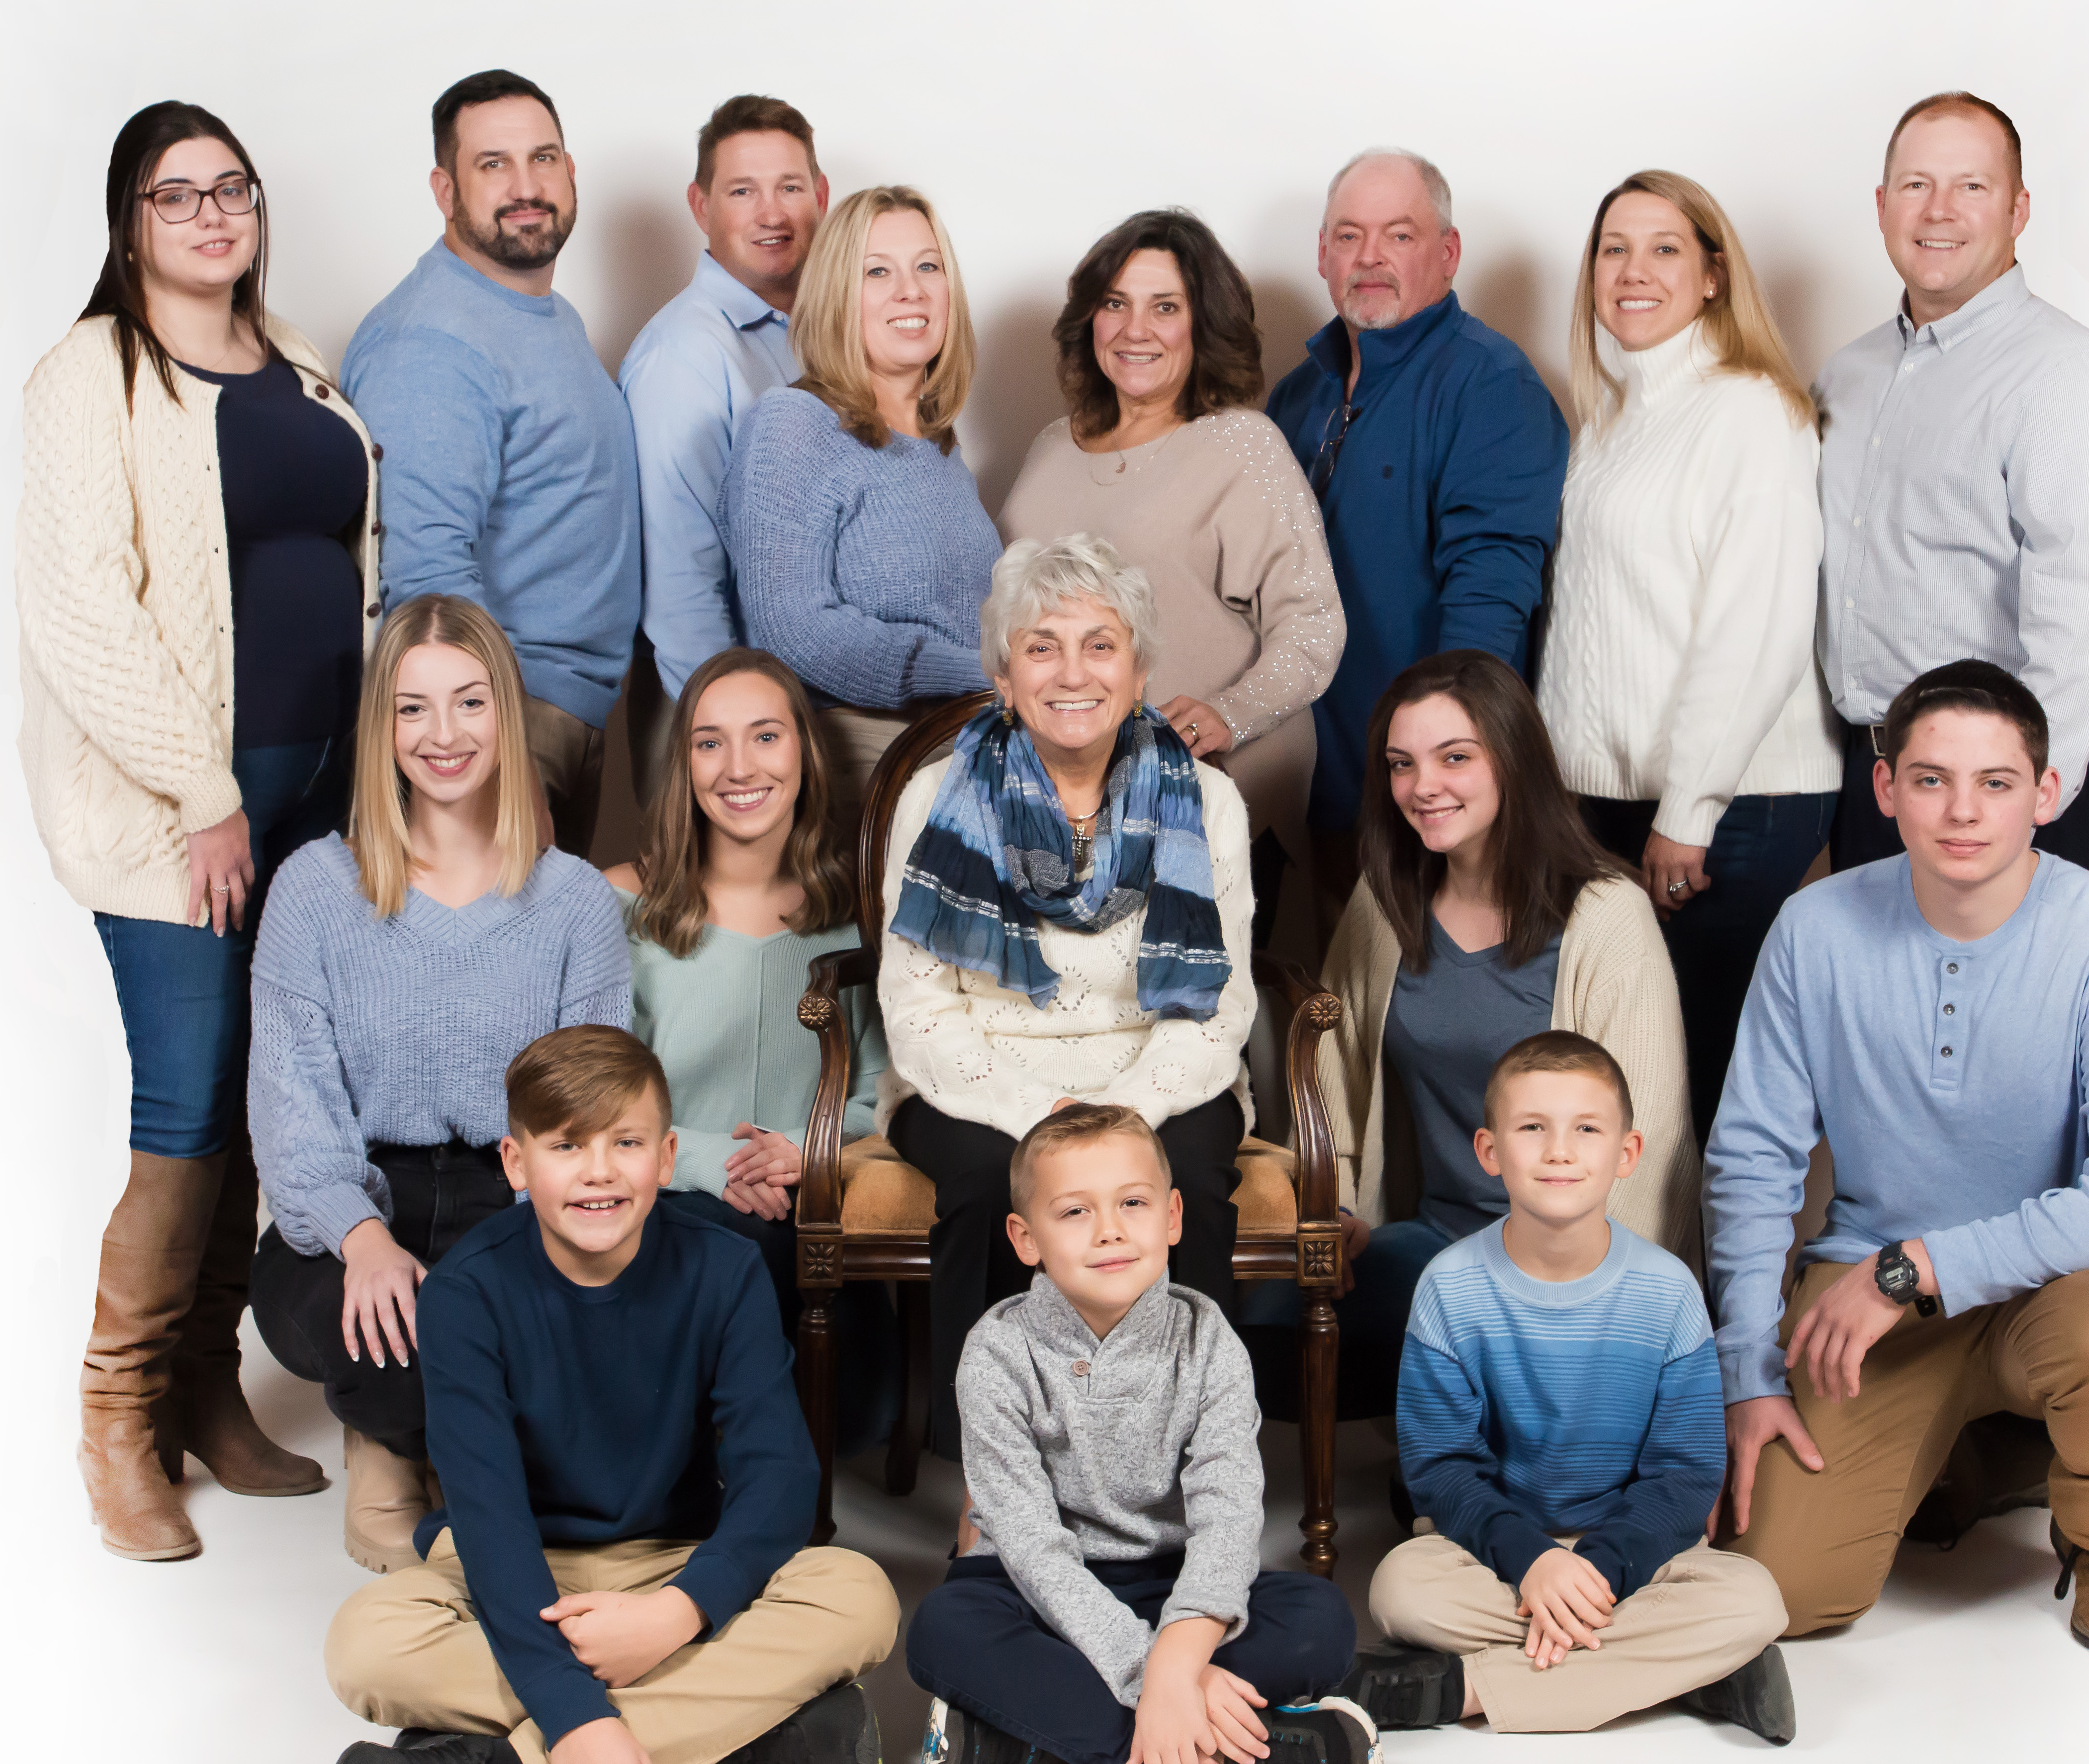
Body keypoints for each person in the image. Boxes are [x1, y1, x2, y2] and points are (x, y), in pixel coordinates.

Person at [18, 99, 376, 1561]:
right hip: (181, 812)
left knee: (258, 1085)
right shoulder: (91, 373)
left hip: (315, 797)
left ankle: (205, 1387)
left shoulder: (295, 359)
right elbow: (82, 612)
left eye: (233, 188)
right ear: (130, 223)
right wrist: (207, 793)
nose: (215, 214)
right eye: (178, 195)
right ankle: (116, 1418)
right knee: (182, 1098)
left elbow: (346, 563)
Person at [1708, 662, 2089, 1661]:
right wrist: (1747, 1369)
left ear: (2046, 793)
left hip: (2064, 1287)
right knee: (1780, 1591)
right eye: (1931, 779)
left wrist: (1915, 1267)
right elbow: (1753, 1156)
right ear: (1885, 787)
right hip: (1868, 1290)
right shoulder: (1814, 929)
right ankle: (1981, 1455)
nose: (1962, 810)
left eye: (1995, 782)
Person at [319, 1026, 901, 1764]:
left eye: (625, 1143)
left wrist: (678, 1612)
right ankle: (740, 1730)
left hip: (672, 1558)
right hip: (512, 1565)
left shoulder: (726, 1267)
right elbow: (488, 1517)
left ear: (666, 1158)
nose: (598, 1171)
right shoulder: (466, 1292)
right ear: (517, 1164)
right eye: (566, 1146)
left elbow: (778, 1476)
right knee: (367, 1644)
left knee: (860, 1596)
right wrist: (577, 1709)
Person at [247, 596, 632, 1575]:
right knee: (372, 1320)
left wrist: (544, 1255)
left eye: (468, 701)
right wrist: (362, 1237)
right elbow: (291, 1110)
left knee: (536, 1327)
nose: (443, 734)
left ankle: (464, 1470)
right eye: (412, 708)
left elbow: (592, 1112)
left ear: (505, 712)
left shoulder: (576, 903)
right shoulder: (313, 889)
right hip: (355, 1201)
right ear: (381, 726)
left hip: (516, 1199)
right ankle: (393, 1449)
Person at [878, 534, 1258, 1484]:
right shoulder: (934, 797)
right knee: (985, 1186)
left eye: (1099, 645)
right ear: (1004, 676)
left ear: (1138, 671)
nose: (1073, 672)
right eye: (1041, 646)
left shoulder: (1207, 802)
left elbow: (1216, 1008)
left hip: (1159, 1074)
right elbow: (916, 1005)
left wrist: (1123, 1115)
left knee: (1185, 1185)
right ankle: (990, 1485)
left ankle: (1186, 1470)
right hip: (981, 1079)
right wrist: (1034, 1116)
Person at [905, 1103, 1379, 1764]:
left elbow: (1227, 1520)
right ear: (1025, 1238)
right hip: (1035, 1590)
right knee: (942, 1631)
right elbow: (1032, 1547)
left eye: (1133, 1202)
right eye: (1075, 1211)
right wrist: (1152, 1675)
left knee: (1322, 1620)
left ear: (1173, 1216)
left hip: (1170, 1580)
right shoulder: (996, 1350)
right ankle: (1245, 1752)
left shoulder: (1208, 1340)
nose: (1110, 1230)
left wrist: (1176, 1660)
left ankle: (1024, 1735)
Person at [1270, 650, 1694, 1418]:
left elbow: (1651, 1138)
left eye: (1455, 757)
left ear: (1514, 760)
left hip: (1569, 1260)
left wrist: (1598, 1305)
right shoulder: (1385, 903)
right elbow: (1332, 1074)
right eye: (1402, 764)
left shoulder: (1608, 917)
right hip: (1435, 1243)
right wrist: (1335, 1207)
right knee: (1262, 1320)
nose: (1423, 786)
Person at [1337, 1033, 1792, 1742]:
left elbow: (1684, 1475)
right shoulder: (1449, 1287)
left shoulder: (1668, 1291)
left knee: (1755, 1601)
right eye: (1532, 1128)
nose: (1559, 1151)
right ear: (1490, 1151)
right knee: (1401, 1591)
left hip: (1632, 1548)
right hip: (1493, 1547)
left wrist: (1599, 1568)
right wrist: (1534, 1561)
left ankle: (1461, 1688)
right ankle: (1693, 1670)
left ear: (1627, 1153)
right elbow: (1442, 1469)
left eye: (1586, 1129)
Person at [1540, 171, 1839, 1142]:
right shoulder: (1611, 419)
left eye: (1663, 248)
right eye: (1613, 249)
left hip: (1734, 800)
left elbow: (1756, 629)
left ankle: (1717, 1252)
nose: (1633, 270)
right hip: (1618, 801)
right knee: (1624, 1075)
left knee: (1695, 1078)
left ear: (1713, 275)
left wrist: (1689, 810)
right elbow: (1586, 630)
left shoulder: (1750, 412)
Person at [1000, 208, 1344, 946]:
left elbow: (1314, 624)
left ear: (1203, 325)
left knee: (1195, 994)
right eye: (1115, 303)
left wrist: (1230, 713)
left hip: (1212, 785)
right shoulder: (1051, 445)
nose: (1136, 330)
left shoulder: (1243, 445)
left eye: (1165, 307)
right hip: (1063, 800)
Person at [1818, 92, 2089, 877]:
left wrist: (2019, 798)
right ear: (1883, 205)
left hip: (1997, 792)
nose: (1939, 210)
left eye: (1972, 186)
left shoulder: (2063, 371)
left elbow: (2082, 609)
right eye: (1917, 185)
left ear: (2018, 209)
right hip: (1871, 782)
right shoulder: (1848, 374)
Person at [605, 645, 898, 1451]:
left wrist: (804, 1150)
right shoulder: (617, 906)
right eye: (710, 742)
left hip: (810, 1202)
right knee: (740, 1253)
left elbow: (881, 1095)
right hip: (668, 1201)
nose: (739, 767)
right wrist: (714, 1164)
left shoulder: (857, 918)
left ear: (805, 753)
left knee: (860, 1416)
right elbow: (595, 1107)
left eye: (765, 736)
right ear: (684, 763)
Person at [343, 69, 640, 858]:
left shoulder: (542, 312)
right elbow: (426, 576)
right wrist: (498, 759)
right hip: (505, 724)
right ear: (445, 190)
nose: (526, 187)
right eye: (493, 165)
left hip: (564, 712)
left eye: (542, 159)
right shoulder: (432, 342)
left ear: (570, 172)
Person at [1264, 149, 1566, 925]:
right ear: (1322, 254)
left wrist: (1439, 775)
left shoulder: (1491, 386)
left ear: (1448, 252)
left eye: (1399, 235)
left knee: (1428, 988)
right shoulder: (1297, 397)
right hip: (1317, 784)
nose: (1370, 258)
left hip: (1423, 796)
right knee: (1338, 988)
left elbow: (1490, 603)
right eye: (1349, 236)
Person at [724, 184, 999, 820]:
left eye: (928, 266)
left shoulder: (943, 451)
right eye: (878, 272)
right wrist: (974, 672)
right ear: (836, 296)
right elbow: (793, 627)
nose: (911, 291)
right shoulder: (794, 422)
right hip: (869, 753)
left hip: (967, 739)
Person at [617, 95, 829, 802]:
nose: (773, 214)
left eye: (790, 187)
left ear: (821, 196)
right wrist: (740, 743)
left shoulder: (822, 340)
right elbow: (681, 588)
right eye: (743, 191)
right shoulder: (685, 355)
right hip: (716, 726)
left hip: (794, 722)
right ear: (700, 206)